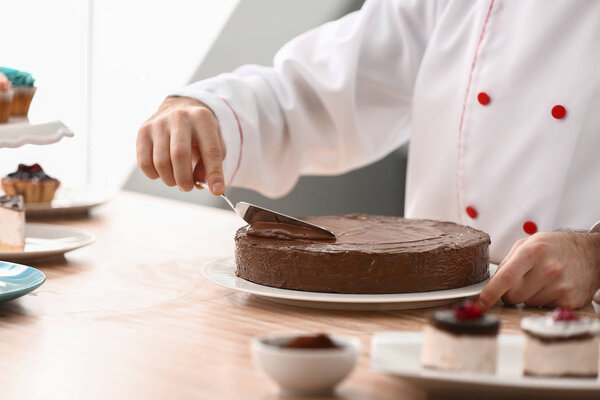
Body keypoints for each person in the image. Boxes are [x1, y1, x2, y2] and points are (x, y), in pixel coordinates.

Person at [136, 0, 600, 309]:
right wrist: (209, 111)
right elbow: (320, 89)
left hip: (579, 338)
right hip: (432, 321)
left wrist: (594, 254)